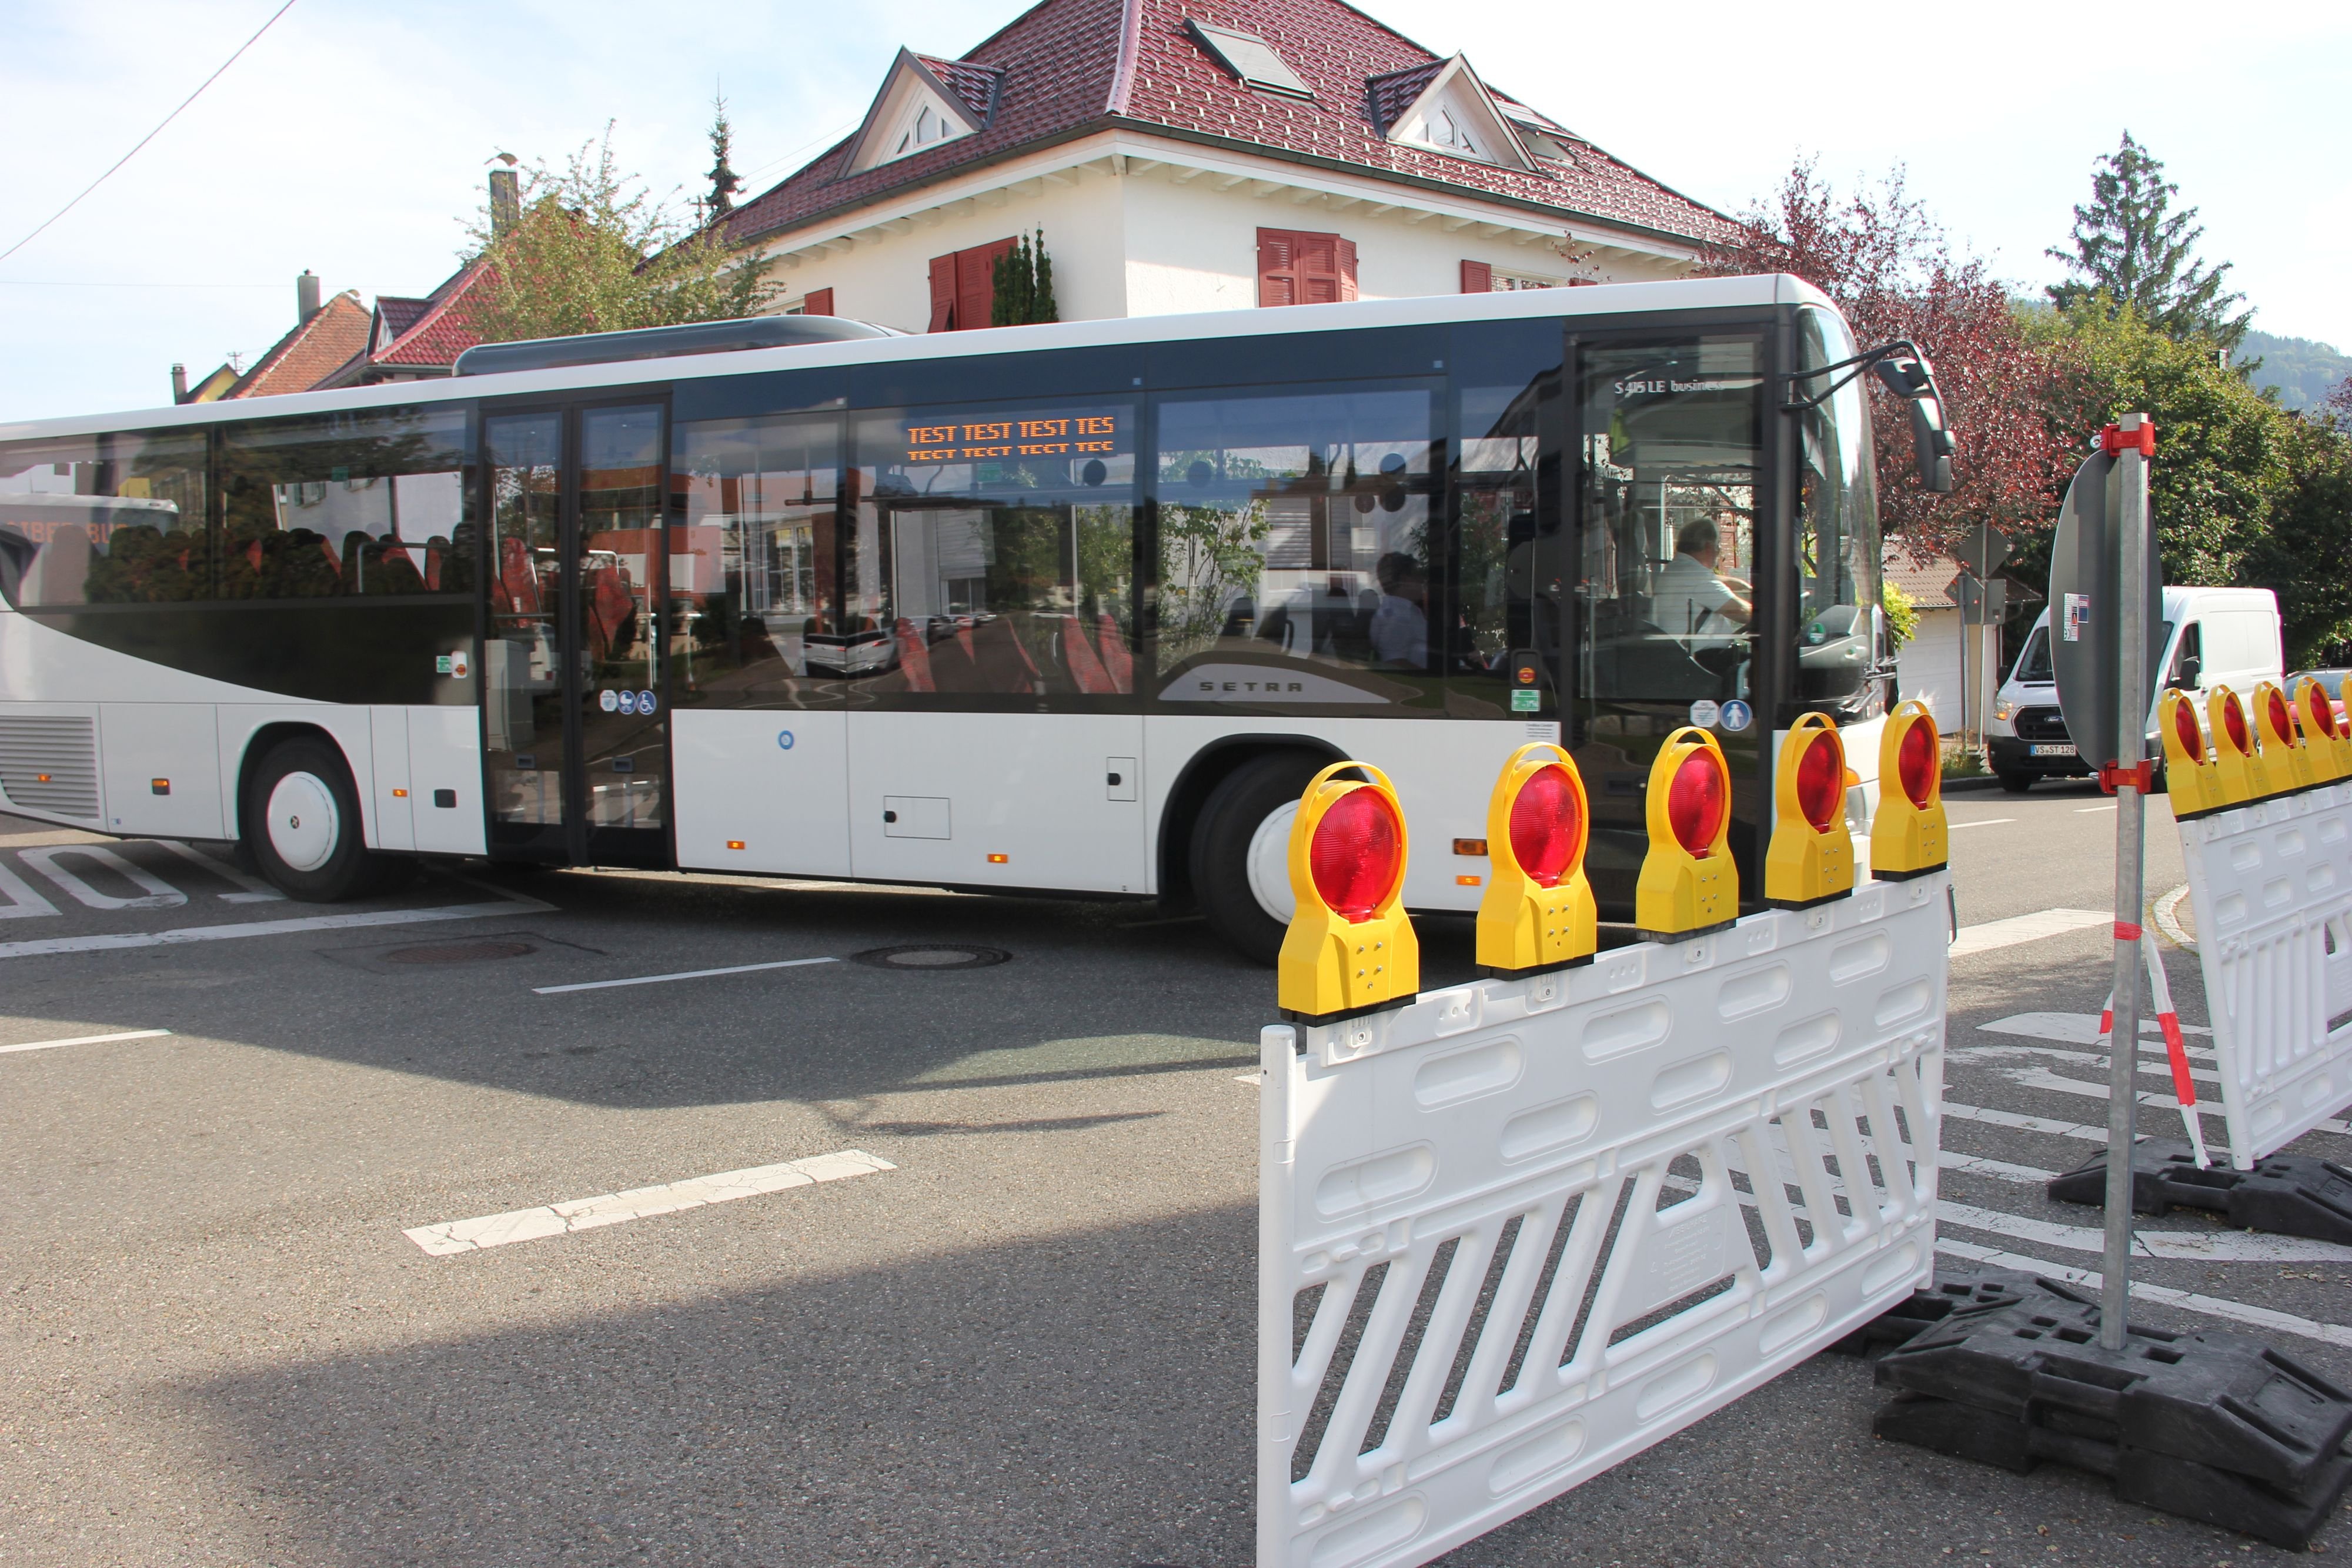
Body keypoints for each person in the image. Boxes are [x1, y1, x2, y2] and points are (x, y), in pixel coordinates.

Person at [1651, 518, 1752, 640]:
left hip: (1680, 653)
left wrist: (1744, 587)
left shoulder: (1679, 569)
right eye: (1718, 544)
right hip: (1702, 657)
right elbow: (1743, 612)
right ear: (1709, 546)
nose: (1719, 551)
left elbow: (1714, 579)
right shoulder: (1698, 578)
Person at [1369, 551, 1428, 667]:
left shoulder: (1408, 611)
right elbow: (1395, 663)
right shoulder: (1397, 617)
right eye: (1417, 576)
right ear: (1404, 580)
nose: (1422, 581)